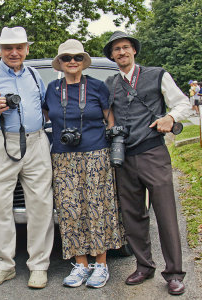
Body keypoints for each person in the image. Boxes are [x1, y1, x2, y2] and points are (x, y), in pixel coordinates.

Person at [103, 31, 192, 296]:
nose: (122, 52)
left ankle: (174, 273)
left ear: (134, 51)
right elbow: (107, 114)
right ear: (111, 56)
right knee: (133, 216)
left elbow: (183, 103)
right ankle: (144, 266)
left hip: (153, 152)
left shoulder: (157, 74)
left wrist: (170, 117)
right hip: (125, 157)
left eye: (126, 47)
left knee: (165, 214)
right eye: (116, 49)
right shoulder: (110, 83)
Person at [0, 26, 54, 289]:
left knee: (41, 204)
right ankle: (4, 266)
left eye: (19, 47)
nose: (14, 52)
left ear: (27, 49)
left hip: (36, 141)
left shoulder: (34, 75)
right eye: (8, 48)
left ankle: (39, 266)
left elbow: (45, 107)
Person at [43, 39, 124, 289]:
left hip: (96, 154)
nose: (72, 62)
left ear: (83, 62)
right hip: (63, 157)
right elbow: (49, 117)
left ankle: (101, 264)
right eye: (67, 58)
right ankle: (81, 264)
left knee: (98, 208)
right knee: (70, 210)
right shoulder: (52, 89)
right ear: (60, 63)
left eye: (77, 57)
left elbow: (110, 121)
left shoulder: (98, 87)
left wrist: (113, 151)